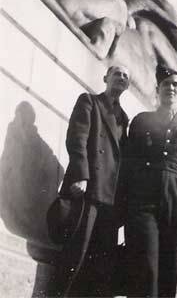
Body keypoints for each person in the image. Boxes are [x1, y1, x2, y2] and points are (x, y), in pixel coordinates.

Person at [125, 64, 177, 298]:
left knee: (168, 264)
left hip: (176, 197)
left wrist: (172, 180)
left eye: (175, 85)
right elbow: (130, 161)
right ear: (157, 90)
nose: (170, 87)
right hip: (143, 197)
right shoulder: (141, 121)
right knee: (144, 261)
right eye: (165, 84)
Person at [52, 65, 130, 297]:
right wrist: (82, 176)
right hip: (87, 192)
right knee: (75, 256)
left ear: (127, 85)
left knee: (102, 266)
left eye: (126, 76)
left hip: (110, 200)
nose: (121, 78)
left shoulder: (124, 118)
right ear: (106, 78)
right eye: (117, 73)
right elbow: (77, 139)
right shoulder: (89, 102)